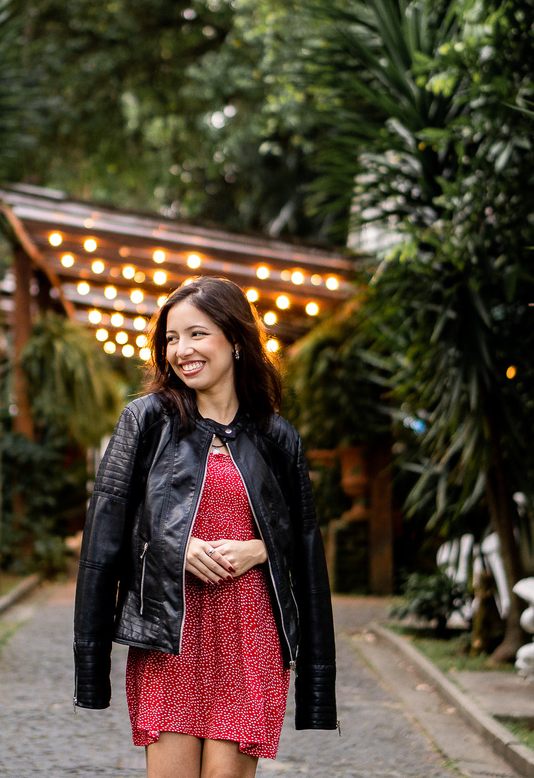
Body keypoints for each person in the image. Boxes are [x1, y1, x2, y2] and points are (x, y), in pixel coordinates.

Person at [73, 276, 337, 778]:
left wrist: (259, 550)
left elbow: (305, 552)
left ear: (235, 341)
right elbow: (103, 537)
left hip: (251, 635)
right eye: (172, 338)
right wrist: (174, 548)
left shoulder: (278, 438)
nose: (181, 350)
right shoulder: (145, 421)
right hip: (172, 632)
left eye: (196, 334)